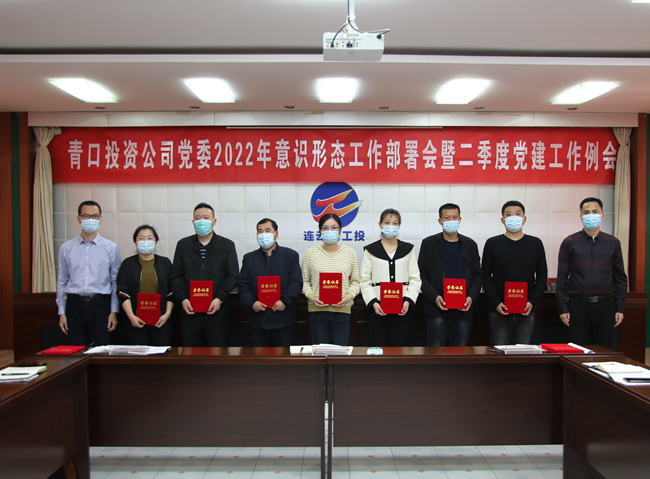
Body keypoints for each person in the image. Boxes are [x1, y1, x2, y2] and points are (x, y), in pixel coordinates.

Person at [556, 197, 628, 349]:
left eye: (595, 212)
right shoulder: (570, 242)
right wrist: (563, 308)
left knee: (605, 350)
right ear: (581, 216)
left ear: (602, 215)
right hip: (577, 306)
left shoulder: (613, 243)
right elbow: (561, 279)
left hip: (606, 305)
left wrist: (619, 307)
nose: (591, 215)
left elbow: (620, 278)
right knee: (578, 350)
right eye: (586, 212)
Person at [171, 202, 239, 347]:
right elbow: (176, 276)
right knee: (191, 353)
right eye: (198, 218)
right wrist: (183, 298)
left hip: (217, 311)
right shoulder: (183, 245)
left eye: (206, 217)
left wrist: (219, 298)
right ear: (193, 222)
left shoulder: (226, 245)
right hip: (189, 312)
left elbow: (233, 276)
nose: (202, 221)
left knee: (218, 353)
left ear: (214, 221)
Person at [56, 200, 122, 346]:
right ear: (79, 218)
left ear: (100, 219)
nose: (90, 220)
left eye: (95, 216)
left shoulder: (111, 248)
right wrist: (62, 312)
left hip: (101, 305)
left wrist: (114, 311)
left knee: (101, 350)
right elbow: (62, 282)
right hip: (74, 305)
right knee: (75, 350)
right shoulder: (66, 248)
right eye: (86, 216)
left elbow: (115, 282)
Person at [482, 201, 548, 345]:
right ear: (502, 220)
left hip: (526, 309)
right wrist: (496, 303)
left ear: (524, 219)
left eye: (517, 214)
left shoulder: (535, 243)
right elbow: (485, 275)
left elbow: (542, 275)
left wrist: (532, 302)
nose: (513, 218)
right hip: (499, 310)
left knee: (522, 352)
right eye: (509, 214)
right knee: (499, 351)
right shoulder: (493, 243)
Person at [418, 203, 483, 346]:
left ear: (460, 219)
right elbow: (422, 274)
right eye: (447, 218)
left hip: (463, 311)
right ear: (440, 221)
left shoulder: (470, 245)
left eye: (454, 217)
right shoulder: (429, 243)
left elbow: (478, 275)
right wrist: (435, 297)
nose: (451, 221)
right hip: (436, 311)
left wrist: (471, 296)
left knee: (459, 354)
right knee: (435, 353)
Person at [360, 208, 421, 346]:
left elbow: (415, 278)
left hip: (402, 308)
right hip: (377, 308)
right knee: (378, 346)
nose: (391, 226)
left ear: (399, 225)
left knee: (399, 347)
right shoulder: (371, 250)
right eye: (387, 222)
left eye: (395, 223)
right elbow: (365, 280)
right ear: (380, 224)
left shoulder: (408, 249)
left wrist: (408, 300)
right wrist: (373, 302)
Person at [238, 218, 303, 346]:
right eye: (260, 231)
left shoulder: (290, 255)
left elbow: (296, 282)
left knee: (284, 357)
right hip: (258, 320)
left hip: (284, 319)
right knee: (260, 358)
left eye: (267, 230)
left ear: (276, 234)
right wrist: (252, 303)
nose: (263, 234)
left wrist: (284, 301)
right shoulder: (249, 258)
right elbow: (242, 285)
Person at [301, 213, 360, 346]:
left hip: (342, 312)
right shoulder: (310, 253)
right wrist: (311, 297)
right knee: (320, 354)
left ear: (340, 230)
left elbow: (356, 281)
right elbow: (304, 281)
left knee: (340, 354)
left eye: (334, 227)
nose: (330, 231)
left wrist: (348, 297)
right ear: (320, 231)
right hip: (317, 312)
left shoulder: (350, 253)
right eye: (325, 228)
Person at [116, 225, 174, 346]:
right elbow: (122, 292)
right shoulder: (127, 264)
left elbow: (171, 291)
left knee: (161, 355)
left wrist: (166, 315)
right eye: (141, 238)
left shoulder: (165, 263)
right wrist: (131, 316)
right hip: (135, 321)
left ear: (156, 242)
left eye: (149, 238)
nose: (145, 241)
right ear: (135, 242)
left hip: (161, 321)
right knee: (138, 356)